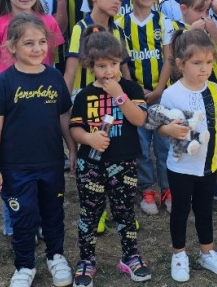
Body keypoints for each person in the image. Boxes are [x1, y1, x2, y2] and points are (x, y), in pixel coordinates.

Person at [0, 14, 74, 287]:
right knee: (24, 219)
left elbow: (63, 118)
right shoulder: (3, 83)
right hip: (15, 168)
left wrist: (72, 149)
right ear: (12, 47)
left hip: (51, 163)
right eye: (28, 43)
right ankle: (24, 265)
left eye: (42, 42)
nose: (37, 49)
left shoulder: (55, 78)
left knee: (54, 213)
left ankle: (56, 256)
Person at [69, 27, 152, 286]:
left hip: (124, 162)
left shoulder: (130, 88)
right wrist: (88, 138)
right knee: (89, 214)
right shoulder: (83, 95)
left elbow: (139, 119)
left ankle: (130, 256)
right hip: (90, 164)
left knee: (125, 212)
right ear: (90, 65)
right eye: (102, 66)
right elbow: (74, 128)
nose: (109, 71)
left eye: (114, 64)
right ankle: (86, 260)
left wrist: (120, 96)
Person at [157, 29, 217, 282]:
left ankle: (207, 252)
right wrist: (169, 129)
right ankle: (179, 254)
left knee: (204, 210)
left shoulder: (214, 89)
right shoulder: (171, 93)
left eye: (209, 62)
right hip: (181, 168)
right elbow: (159, 126)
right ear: (180, 64)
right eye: (197, 63)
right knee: (180, 210)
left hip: (208, 166)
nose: (205, 69)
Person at [116, 0, 174, 215]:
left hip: (162, 95)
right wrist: (135, 89)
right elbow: (122, 62)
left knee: (164, 144)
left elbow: (169, 59)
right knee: (140, 144)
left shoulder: (164, 22)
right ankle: (147, 189)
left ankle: (168, 189)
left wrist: (160, 89)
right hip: (135, 96)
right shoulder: (120, 24)